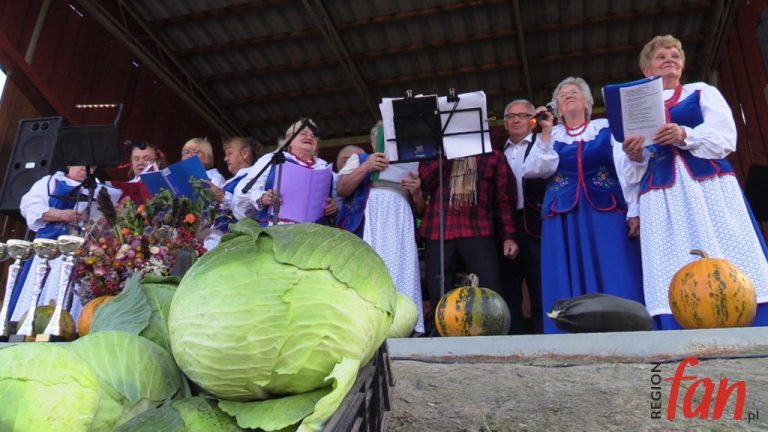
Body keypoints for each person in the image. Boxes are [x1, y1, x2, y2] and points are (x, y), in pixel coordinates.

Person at [619, 35, 768, 329]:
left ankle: (753, 320)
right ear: (647, 69)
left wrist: (685, 134)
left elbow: (726, 138)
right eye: (661, 56)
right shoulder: (633, 107)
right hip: (660, 195)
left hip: (708, 185)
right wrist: (634, 156)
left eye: (675, 55)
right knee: (670, 259)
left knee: (727, 246)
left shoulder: (701, 92)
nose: (670, 59)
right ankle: (676, 328)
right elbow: (628, 169)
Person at [524, 76, 644, 334]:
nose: (568, 95)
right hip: (562, 217)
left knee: (614, 268)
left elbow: (626, 170)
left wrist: (634, 209)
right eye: (562, 94)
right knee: (565, 274)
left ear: (587, 102)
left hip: (606, 213)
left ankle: (627, 331)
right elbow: (534, 169)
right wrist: (545, 132)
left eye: (574, 92)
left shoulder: (606, 128)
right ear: (556, 106)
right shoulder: (552, 135)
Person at [336, 123, 426, 335]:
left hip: (401, 218)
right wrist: (366, 167)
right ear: (373, 142)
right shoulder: (360, 159)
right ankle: (371, 323)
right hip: (372, 217)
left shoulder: (409, 163)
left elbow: (421, 209)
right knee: (372, 269)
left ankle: (402, 323)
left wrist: (416, 192)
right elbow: (342, 189)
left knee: (403, 268)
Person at [419, 145, 519, 333]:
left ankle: (492, 338)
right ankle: (443, 341)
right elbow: (425, 180)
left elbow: (504, 201)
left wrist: (509, 236)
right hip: (439, 230)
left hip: (477, 228)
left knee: (490, 291)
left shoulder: (493, 156)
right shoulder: (436, 153)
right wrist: (450, 154)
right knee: (439, 295)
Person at [9, 166, 120, 323]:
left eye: (91, 165)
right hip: (49, 250)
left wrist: (100, 222)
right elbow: (29, 207)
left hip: (81, 256)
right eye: (81, 163)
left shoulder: (99, 190)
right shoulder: (51, 182)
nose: (85, 168)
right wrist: (62, 214)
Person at [234, 119, 337, 224]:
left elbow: (338, 202)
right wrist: (262, 198)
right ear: (289, 139)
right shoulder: (272, 159)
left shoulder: (324, 167)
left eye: (314, 136)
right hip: (276, 229)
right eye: (303, 133)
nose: (309, 137)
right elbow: (242, 193)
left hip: (314, 231)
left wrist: (332, 207)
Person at [501, 99, 546, 334]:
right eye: (511, 116)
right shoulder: (498, 153)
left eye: (522, 115)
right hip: (506, 226)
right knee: (509, 286)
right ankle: (514, 336)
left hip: (535, 222)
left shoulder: (542, 145)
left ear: (533, 120)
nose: (516, 120)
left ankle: (543, 335)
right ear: (505, 123)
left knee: (539, 282)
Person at [204, 137, 259, 249]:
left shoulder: (254, 176)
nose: (225, 159)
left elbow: (247, 212)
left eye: (229, 153)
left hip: (234, 241)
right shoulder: (232, 180)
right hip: (217, 239)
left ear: (245, 153)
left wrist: (223, 197)